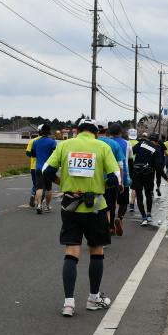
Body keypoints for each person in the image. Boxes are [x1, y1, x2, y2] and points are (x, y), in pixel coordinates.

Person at [43, 118, 120, 318]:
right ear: (96, 132)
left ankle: (68, 303)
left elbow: (47, 171)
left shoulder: (65, 145)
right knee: (97, 250)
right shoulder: (102, 147)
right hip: (95, 207)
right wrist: (100, 185)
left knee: (72, 251)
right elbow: (115, 178)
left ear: (77, 130)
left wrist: (63, 182)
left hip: (70, 206)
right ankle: (93, 299)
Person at [131, 132, 168, 226]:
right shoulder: (156, 149)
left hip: (137, 172)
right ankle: (149, 214)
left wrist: (131, 169)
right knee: (148, 194)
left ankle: (143, 217)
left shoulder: (140, 144)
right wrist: (166, 178)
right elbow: (158, 167)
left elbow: (130, 154)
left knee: (139, 195)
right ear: (157, 141)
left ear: (149, 139)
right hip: (148, 174)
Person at [97, 123, 126, 236]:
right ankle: (110, 228)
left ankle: (100, 229)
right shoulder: (114, 144)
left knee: (97, 206)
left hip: (94, 181)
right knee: (111, 206)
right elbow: (121, 165)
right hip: (111, 179)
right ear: (106, 130)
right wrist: (121, 182)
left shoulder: (92, 143)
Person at [110, 123, 132, 235]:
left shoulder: (107, 143)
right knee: (123, 202)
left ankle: (110, 225)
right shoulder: (127, 143)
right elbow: (130, 160)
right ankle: (119, 217)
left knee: (111, 201)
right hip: (124, 175)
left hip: (109, 175)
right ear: (120, 132)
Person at [32, 124, 57, 214]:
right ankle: (48, 206)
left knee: (39, 187)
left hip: (38, 167)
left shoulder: (36, 142)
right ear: (49, 132)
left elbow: (33, 154)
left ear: (41, 131)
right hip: (48, 168)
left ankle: (39, 205)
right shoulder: (52, 142)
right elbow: (55, 154)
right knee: (49, 188)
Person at [25, 131, 43, 208]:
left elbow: (28, 153)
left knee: (36, 183)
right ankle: (40, 201)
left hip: (34, 166)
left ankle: (33, 195)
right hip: (45, 166)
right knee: (43, 184)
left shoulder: (33, 141)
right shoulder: (49, 141)